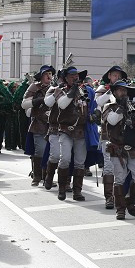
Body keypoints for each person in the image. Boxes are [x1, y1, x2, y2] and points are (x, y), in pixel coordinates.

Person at [47, 66, 94, 202]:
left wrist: (93, 114)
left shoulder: (84, 91)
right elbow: (62, 104)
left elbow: (89, 106)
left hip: (81, 130)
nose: (75, 78)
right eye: (72, 76)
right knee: (65, 158)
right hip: (65, 130)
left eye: (77, 76)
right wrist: (72, 91)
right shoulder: (60, 90)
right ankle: (62, 189)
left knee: (80, 162)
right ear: (66, 77)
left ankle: (77, 191)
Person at [102, 80, 135, 219]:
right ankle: (120, 209)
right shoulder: (109, 107)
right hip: (117, 148)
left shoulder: (134, 106)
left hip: (133, 147)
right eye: (120, 90)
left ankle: (130, 201)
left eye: (125, 90)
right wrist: (122, 108)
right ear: (115, 92)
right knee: (119, 179)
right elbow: (112, 121)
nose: (123, 93)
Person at [22, 65, 56, 187]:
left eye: (50, 74)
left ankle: (48, 177)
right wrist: (40, 100)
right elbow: (24, 104)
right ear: (41, 76)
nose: (49, 76)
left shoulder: (55, 88)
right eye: (46, 73)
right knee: (40, 150)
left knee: (52, 153)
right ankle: (37, 176)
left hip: (52, 124)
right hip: (39, 123)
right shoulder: (34, 87)